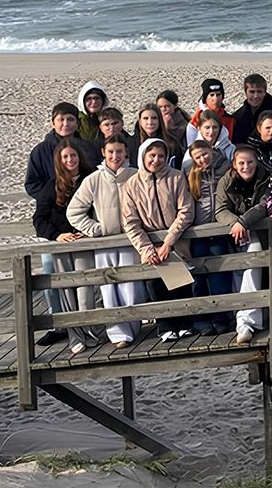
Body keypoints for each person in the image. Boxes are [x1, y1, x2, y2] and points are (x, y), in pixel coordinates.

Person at [66, 134, 141, 348]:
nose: (115, 156)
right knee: (109, 288)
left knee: (131, 286)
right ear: (103, 153)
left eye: (119, 151)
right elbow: (74, 211)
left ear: (126, 152)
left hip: (130, 240)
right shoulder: (94, 179)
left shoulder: (135, 176)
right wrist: (96, 229)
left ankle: (133, 330)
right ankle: (117, 334)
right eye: (111, 152)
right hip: (105, 243)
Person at [120, 135, 196, 342]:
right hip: (149, 244)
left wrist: (169, 241)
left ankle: (184, 323)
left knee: (180, 284)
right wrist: (147, 249)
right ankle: (165, 326)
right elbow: (130, 222)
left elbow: (186, 210)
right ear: (143, 156)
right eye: (152, 155)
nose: (156, 160)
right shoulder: (131, 185)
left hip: (175, 241)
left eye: (161, 156)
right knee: (156, 285)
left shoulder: (176, 177)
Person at [32, 138, 94, 334]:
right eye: (65, 156)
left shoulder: (91, 179)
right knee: (57, 280)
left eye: (73, 155)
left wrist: (89, 230)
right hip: (60, 243)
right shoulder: (51, 187)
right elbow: (39, 220)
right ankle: (65, 329)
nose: (70, 160)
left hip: (87, 240)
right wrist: (57, 235)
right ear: (59, 160)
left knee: (86, 284)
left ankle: (89, 327)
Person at [218, 145, 271, 344]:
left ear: (256, 162)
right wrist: (235, 223)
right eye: (241, 163)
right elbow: (220, 208)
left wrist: (243, 222)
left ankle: (247, 321)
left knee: (252, 265)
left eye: (250, 162)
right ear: (234, 164)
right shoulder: (226, 181)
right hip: (233, 233)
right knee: (236, 273)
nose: (246, 166)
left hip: (259, 233)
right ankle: (241, 317)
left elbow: (265, 205)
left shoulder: (266, 178)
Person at [181, 139, 233, 333]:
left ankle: (221, 316)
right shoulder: (190, 172)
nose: (203, 159)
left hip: (218, 228)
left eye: (205, 154)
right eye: (198, 157)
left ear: (211, 150)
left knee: (219, 273)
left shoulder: (225, 166)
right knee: (198, 275)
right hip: (198, 230)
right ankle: (201, 317)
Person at [25, 102, 98, 196]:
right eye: (61, 119)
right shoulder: (40, 151)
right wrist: (52, 198)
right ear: (53, 123)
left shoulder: (89, 147)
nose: (66, 124)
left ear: (78, 123)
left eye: (70, 119)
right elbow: (32, 184)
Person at [230, 73, 272, 144]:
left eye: (259, 91)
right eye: (252, 92)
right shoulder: (237, 117)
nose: (255, 96)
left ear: (265, 93)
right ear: (246, 92)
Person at [129, 102, 178, 167]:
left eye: (154, 118)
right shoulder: (129, 143)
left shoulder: (171, 142)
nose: (150, 122)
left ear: (159, 120)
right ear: (140, 122)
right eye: (146, 118)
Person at [188, 79, 235, 144]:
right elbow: (191, 146)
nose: (215, 99)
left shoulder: (229, 120)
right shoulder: (196, 120)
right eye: (212, 95)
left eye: (218, 95)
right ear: (205, 98)